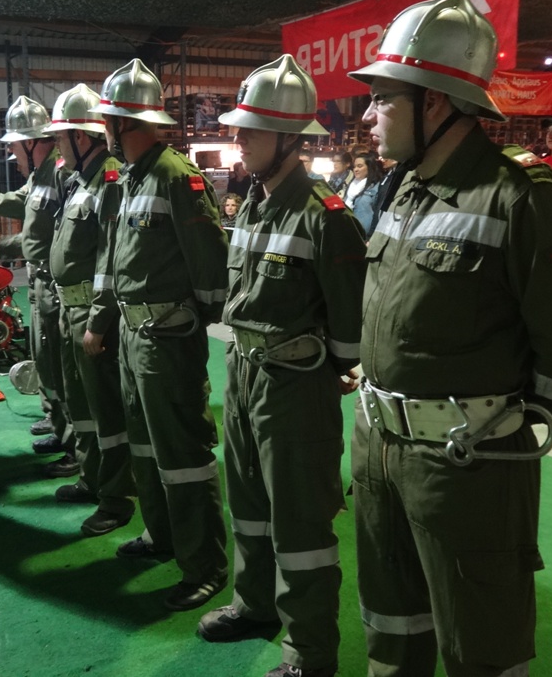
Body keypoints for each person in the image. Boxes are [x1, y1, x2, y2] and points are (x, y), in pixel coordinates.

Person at [346, 0, 552, 676]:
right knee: (391, 626)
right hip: (380, 450)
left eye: (383, 99)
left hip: (466, 466)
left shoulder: (520, 196)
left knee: (480, 642)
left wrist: (491, 418)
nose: (368, 116)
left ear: (433, 101)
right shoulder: (406, 190)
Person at [196, 54, 366, 677]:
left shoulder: (325, 215)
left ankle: (310, 654)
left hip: (293, 389)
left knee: (299, 524)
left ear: (290, 137)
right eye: (238, 128)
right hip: (243, 375)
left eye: (252, 130)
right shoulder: (255, 203)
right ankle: (255, 604)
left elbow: (350, 322)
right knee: (247, 504)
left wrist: (329, 366)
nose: (238, 140)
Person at [88, 58, 230, 611]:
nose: (104, 129)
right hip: (134, 336)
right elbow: (116, 259)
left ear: (124, 122)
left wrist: (192, 323)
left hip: (166, 340)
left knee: (182, 452)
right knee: (146, 445)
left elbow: (209, 264)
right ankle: (162, 534)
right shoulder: (131, 177)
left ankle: (204, 566)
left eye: (108, 120)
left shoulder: (175, 176)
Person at [0, 96, 78, 479]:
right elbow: (16, 211)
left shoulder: (60, 173)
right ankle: (59, 425)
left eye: (14, 146)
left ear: (30, 141)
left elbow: (44, 234)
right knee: (46, 358)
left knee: (64, 366)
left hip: (58, 283)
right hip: (41, 281)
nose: (14, 157)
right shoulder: (40, 176)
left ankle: (75, 443)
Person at [43, 83, 135, 536]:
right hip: (70, 311)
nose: (56, 146)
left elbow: (110, 258)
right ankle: (92, 477)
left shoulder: (110, 180)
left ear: (82, 137)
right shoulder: (80, 180)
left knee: (106, 412)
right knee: (81, 405)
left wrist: (98, 321)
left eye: (61, 137)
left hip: (93, 317)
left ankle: (116, 498)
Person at [345, 152, 382, 239]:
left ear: (370, 167)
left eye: (360, 166)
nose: (355, 169)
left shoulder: (376, 188)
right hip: (348, 232)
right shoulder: (351, 185)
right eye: (354, 166)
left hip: (364, 236)